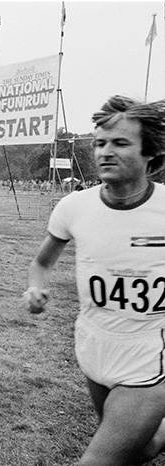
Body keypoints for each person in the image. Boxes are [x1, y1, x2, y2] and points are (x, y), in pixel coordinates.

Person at [23, 96, 165, 465]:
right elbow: (41, 263)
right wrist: (35, 288)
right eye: (100, 143)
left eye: (120, 143)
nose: (105, 152)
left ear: (149, 153)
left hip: (148, 353)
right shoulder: (74, 207)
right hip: (93, 345)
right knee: (141, 449)